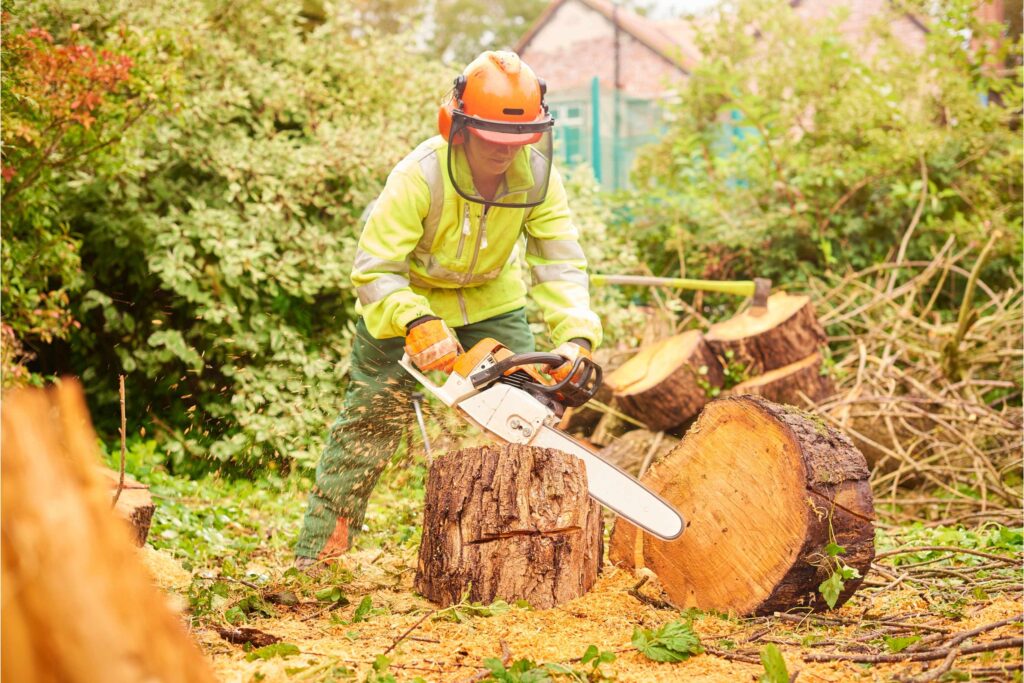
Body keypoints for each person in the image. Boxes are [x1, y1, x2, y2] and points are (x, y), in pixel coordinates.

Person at [294, 50, 602, 567]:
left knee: (530, 419)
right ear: (458, 126)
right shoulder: (419, 175)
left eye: (518, 141)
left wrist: (575, 338)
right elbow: (374, 269)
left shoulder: (539, 179)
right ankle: (317, 555)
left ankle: (529, 555)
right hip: (405, 305)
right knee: (368, 425)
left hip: (492, 302)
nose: (505, 153)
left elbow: (559, 264)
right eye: (492, 140)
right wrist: (413, 318)